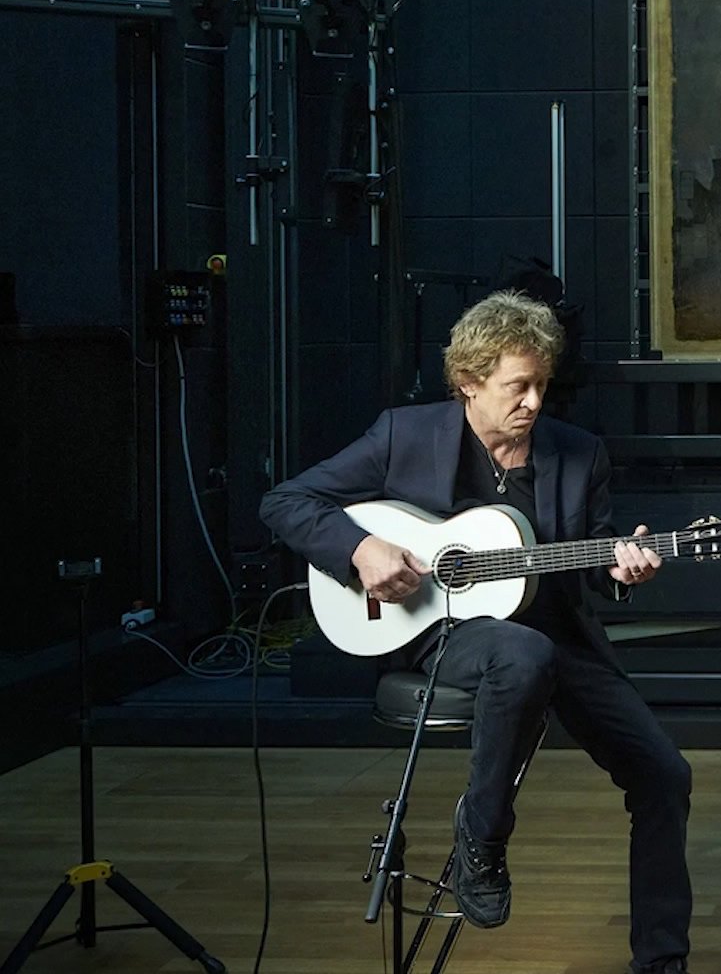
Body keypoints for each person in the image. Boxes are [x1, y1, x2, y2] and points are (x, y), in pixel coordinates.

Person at [258, 292, 694, 974]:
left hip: (558, 636)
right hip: (442, 632)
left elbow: (597, 556)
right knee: (521, 653)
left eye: (542, 385)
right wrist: (360, 549)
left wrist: (623, 570)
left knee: (665, 775)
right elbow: (285, 501)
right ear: (468, 380)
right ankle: (483, 836)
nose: (534, 402)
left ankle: (662, 963)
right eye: (518, 386)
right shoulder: (404, 436)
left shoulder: (579, 453)